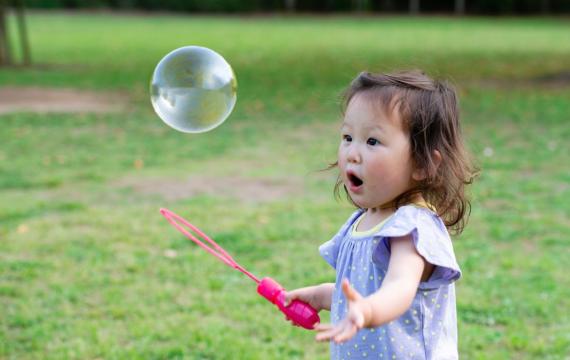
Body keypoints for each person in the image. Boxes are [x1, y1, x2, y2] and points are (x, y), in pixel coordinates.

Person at [284, 70, 478, 359]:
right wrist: (324, 295)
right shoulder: (363, 221)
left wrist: (368, 310)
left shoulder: (412, 227)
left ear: (423, 164)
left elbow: (399, 287)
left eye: (372, 141)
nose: (352, 153)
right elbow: (366, 289)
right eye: (348, 137)